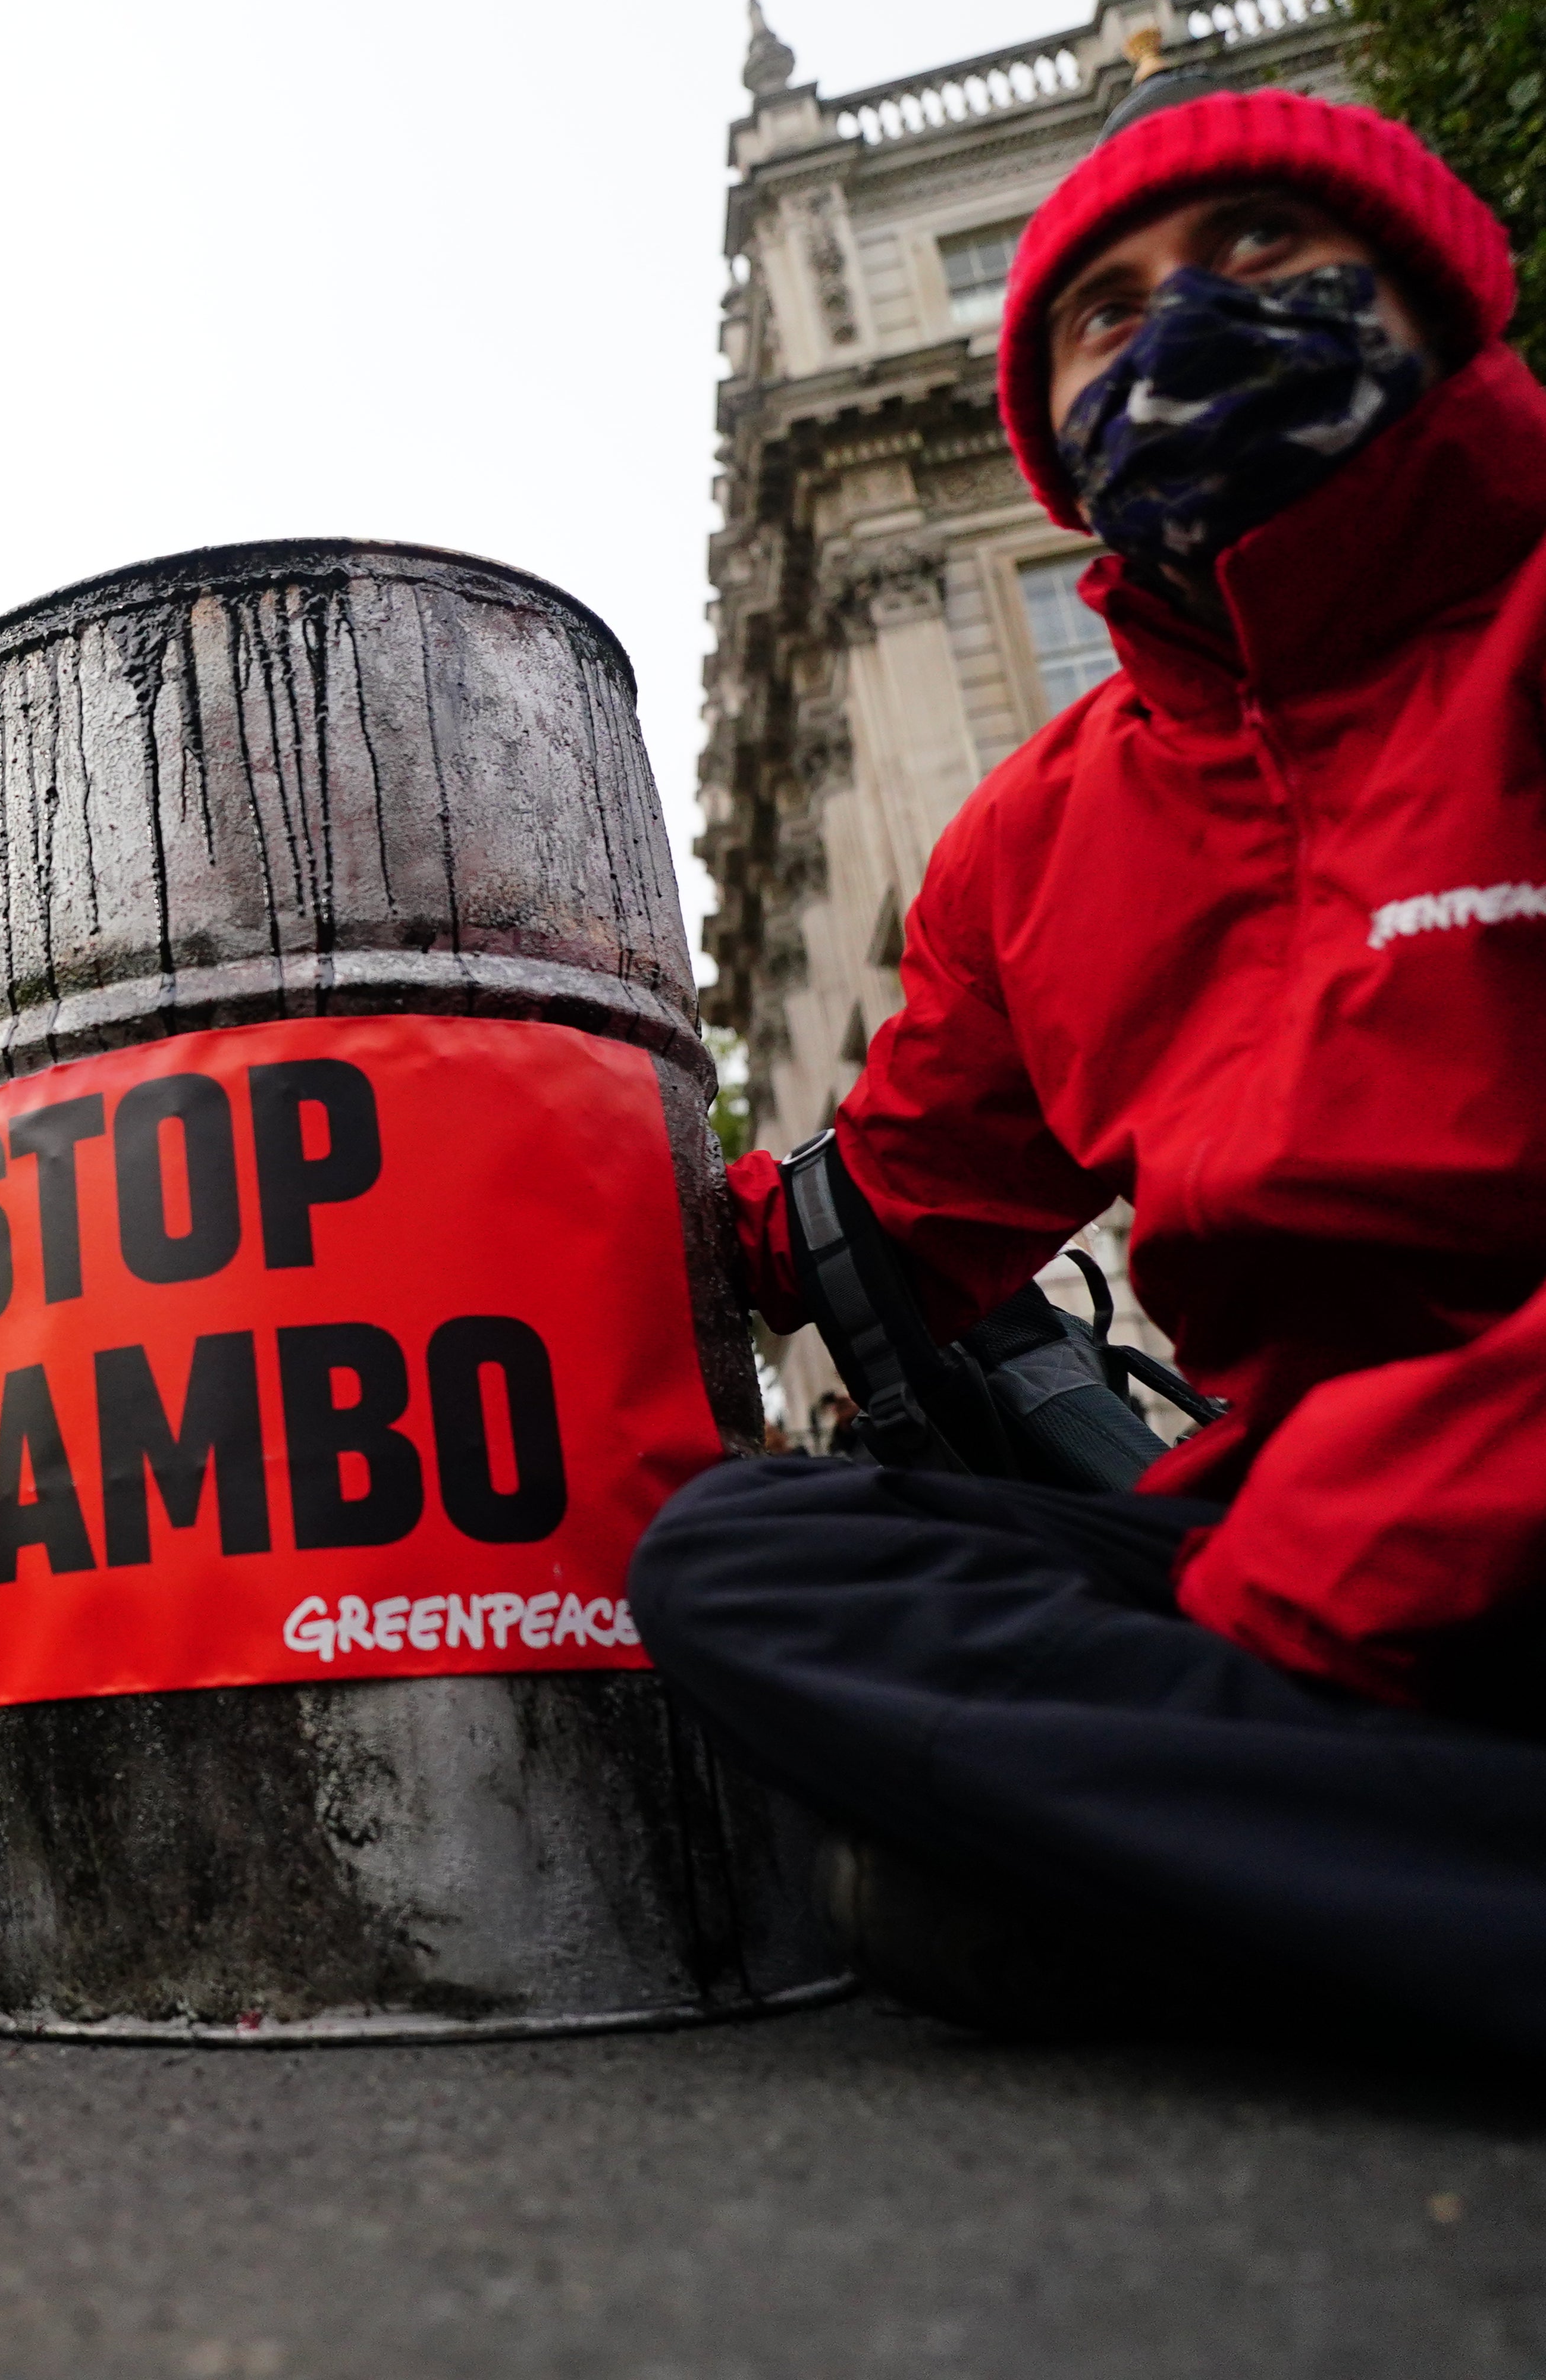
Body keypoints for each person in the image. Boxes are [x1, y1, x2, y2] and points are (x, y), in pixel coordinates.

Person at [626, 87, 1546, 2058]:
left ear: (1419, 293)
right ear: (1040, 423)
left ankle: (1238, 1894)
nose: (1180, 324)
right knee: (745, 1563)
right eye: (1102, 306)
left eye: (1257, 259)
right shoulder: (1038, 835)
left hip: (1400, 1526)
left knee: (969, 1877)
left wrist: (1415, 1508)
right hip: (1301, 1557)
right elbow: (864, 1213)